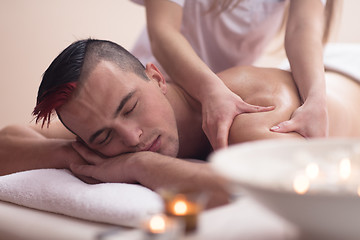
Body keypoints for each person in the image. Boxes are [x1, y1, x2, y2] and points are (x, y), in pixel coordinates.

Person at [1, 39, 360, 208]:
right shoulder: (100, 118)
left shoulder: (245, 119)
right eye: (103, 135)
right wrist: (76, 154)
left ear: (156, 77)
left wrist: (140, 165)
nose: (131, 137)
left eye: (130, 108)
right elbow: (6, 146)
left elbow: (276, 194)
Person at [130, 0, 339, 150]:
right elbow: (163, 30)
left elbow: (302, 28)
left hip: (226, 96)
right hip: (159, 92)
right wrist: (211, 91)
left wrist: (316, 99)